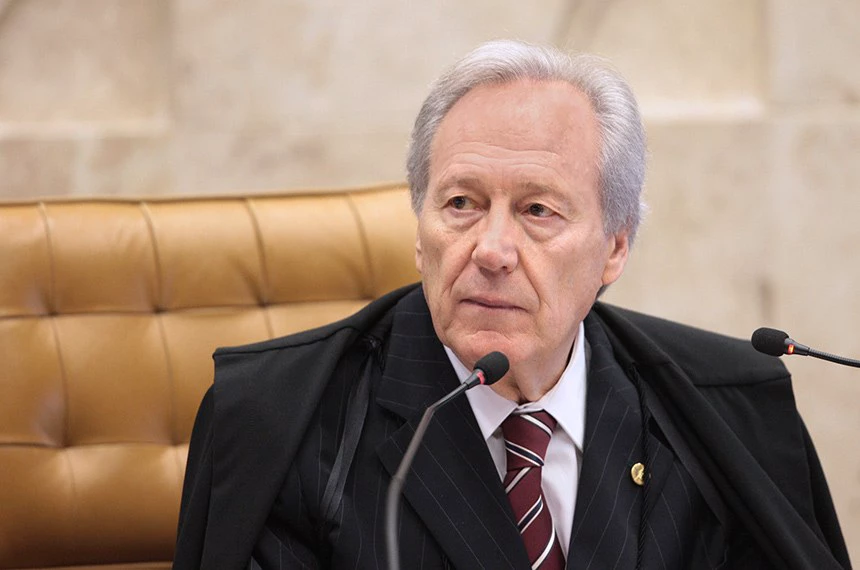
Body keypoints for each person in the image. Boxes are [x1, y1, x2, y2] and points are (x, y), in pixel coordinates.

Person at [174, 40, 851, 570]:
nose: (492, 249)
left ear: (615, 249)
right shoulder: (279, 424)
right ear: (420, 231)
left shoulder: (731, 413)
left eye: (537, 210)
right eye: (461, 203)